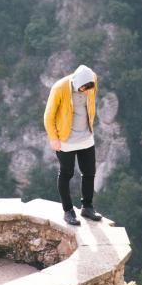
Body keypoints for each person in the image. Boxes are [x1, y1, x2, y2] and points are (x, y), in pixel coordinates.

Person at [44, 63, 102, 226]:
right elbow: (48, 116)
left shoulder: (92, 81)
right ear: (77, 82)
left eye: (89, 87)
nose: (86, 90)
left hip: (86, 136)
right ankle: (68, 211)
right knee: (66, 174)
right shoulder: (60, 88)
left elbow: (90, 101)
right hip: (65, 139)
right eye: (83, 87)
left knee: (89, 172)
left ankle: (87, 207)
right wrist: (53, 138)